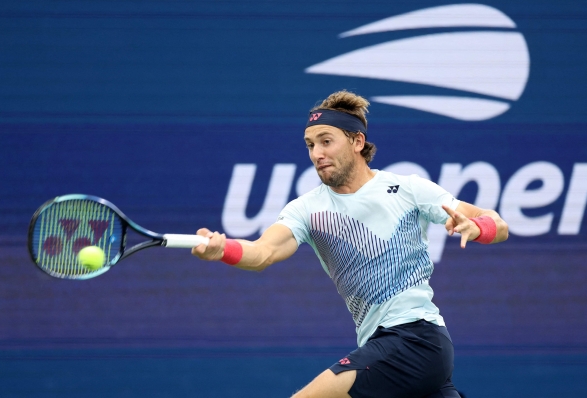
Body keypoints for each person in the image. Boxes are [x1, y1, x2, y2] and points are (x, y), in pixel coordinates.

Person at [192, 90, 508, 398]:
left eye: (326, 141)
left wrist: (477, 226)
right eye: (310, 145)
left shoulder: (408, 189)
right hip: (390, 349)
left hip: (416, 338)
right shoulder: (306, 210)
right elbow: (262, 253)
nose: (317, 153)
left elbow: (498, 224)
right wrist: (224, 250)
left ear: (357, 142)